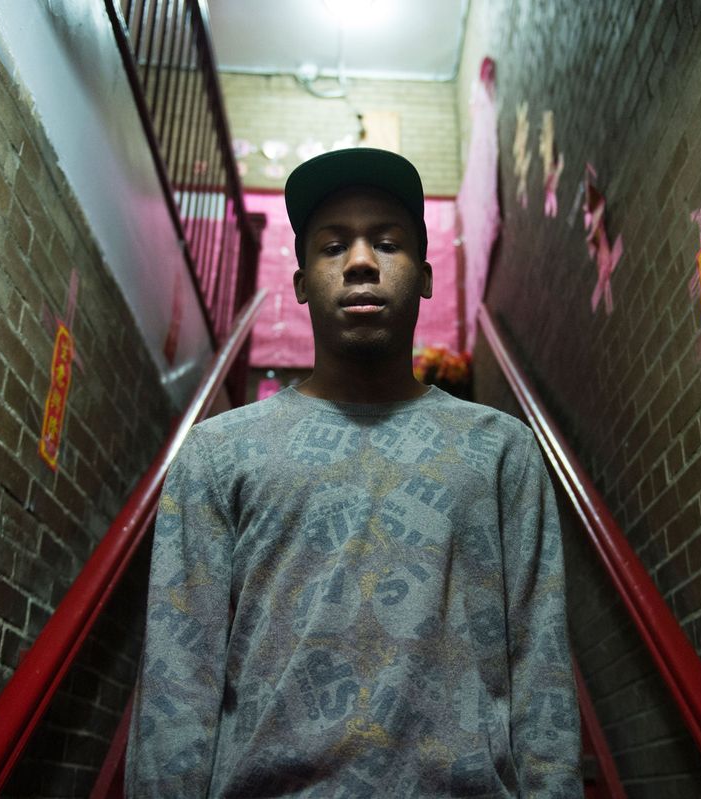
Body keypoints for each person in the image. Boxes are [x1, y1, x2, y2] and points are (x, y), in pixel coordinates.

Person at [126, 148, 581, 797]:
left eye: (388, 243)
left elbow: (542, 669)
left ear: (425, 277)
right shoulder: (218, 453)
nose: (362, 262)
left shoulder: (502, 450)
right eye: (334, 246)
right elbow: (177, 680)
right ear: (301, 282)